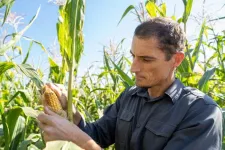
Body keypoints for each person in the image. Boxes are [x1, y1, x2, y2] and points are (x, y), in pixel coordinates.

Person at [37, 17, 222, 150]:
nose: (133, 68)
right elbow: (98, 135)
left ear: (176, 60)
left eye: (146, 59)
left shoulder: (201, 112)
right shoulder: (129, 97)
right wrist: (73, 114)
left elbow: (86, 141)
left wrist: (79, 141)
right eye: (133, 56)